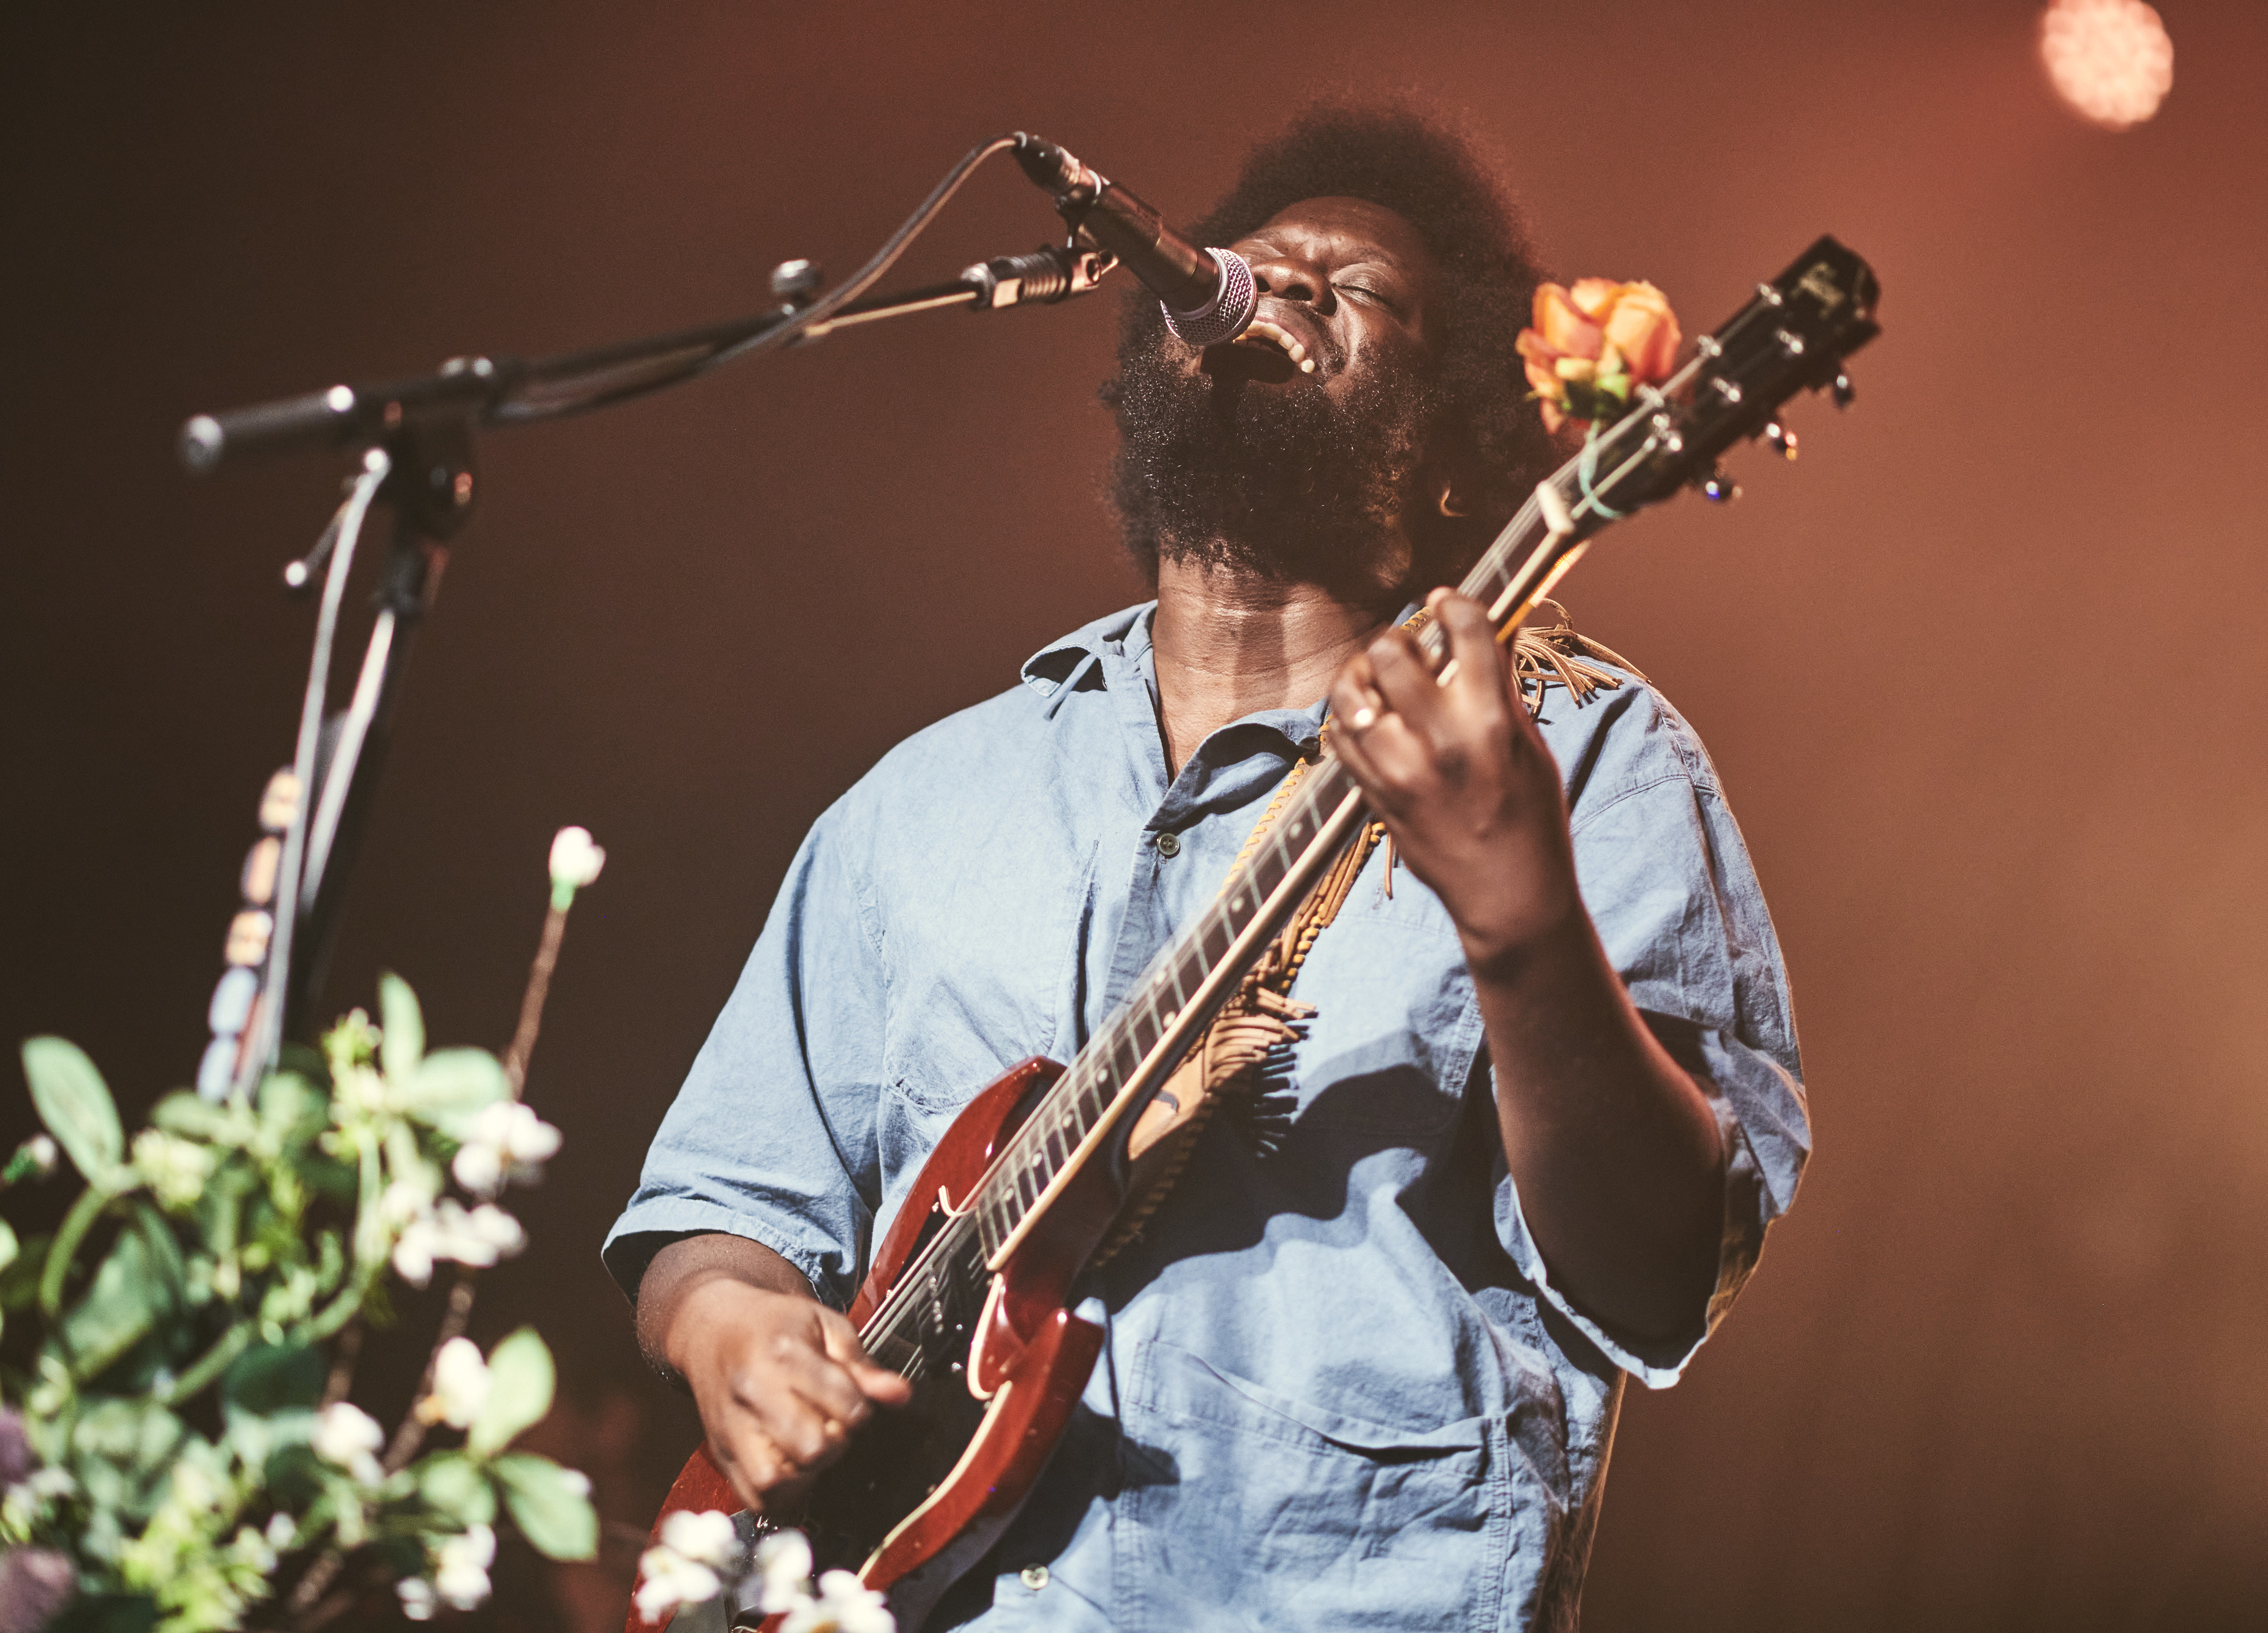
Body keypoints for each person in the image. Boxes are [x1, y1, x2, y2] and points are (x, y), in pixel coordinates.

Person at [604, 102, 1810, 1631]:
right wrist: (728, 1325)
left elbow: (1661, 1277)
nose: (1289, 280)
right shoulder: (919, 801)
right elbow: (721, 1197)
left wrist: (1516, 920)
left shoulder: (1577, 751)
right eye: (1259, 258)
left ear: (1449, 439)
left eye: (1359, 289)